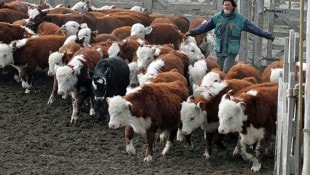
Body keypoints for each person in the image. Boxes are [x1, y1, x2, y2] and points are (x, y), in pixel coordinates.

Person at [185, 0, 275, 73]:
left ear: (233, 6)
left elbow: (254, 29)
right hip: (219, 49)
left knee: (226, 70)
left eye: (228, 5)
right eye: (224, 5)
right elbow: (204, 27)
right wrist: (192, 32)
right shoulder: (217, 17)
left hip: (231, 49)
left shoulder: (240, 19)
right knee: (219, 70)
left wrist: (268, 35)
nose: (226, 7)